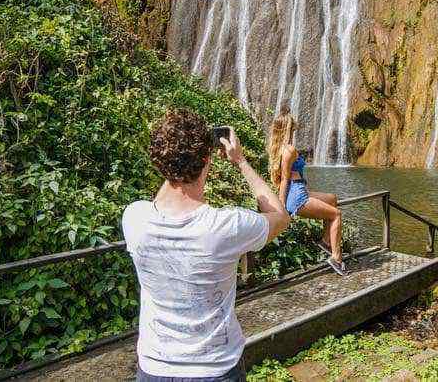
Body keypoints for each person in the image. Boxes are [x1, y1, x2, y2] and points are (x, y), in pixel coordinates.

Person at [122, 108, 290, 382]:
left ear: (159, 161)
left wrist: (172, 164)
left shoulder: (134, 218)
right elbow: (280, 217)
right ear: (206, 160)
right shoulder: (226, 226)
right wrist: (241, 161)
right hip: (215, 370)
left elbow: (160, 203)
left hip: (154, 369)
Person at [268, 108, 345, 275]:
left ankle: (325, 242)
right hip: (297, 195)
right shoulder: (289, 150)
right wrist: (281, 208)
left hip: (298, 189)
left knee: (332, 198)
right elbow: (285, 180)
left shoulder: (278, 149)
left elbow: (284, 179)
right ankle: (336, 258)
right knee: (336, 214)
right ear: (287, 130)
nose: (294, 131)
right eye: (293, 128)